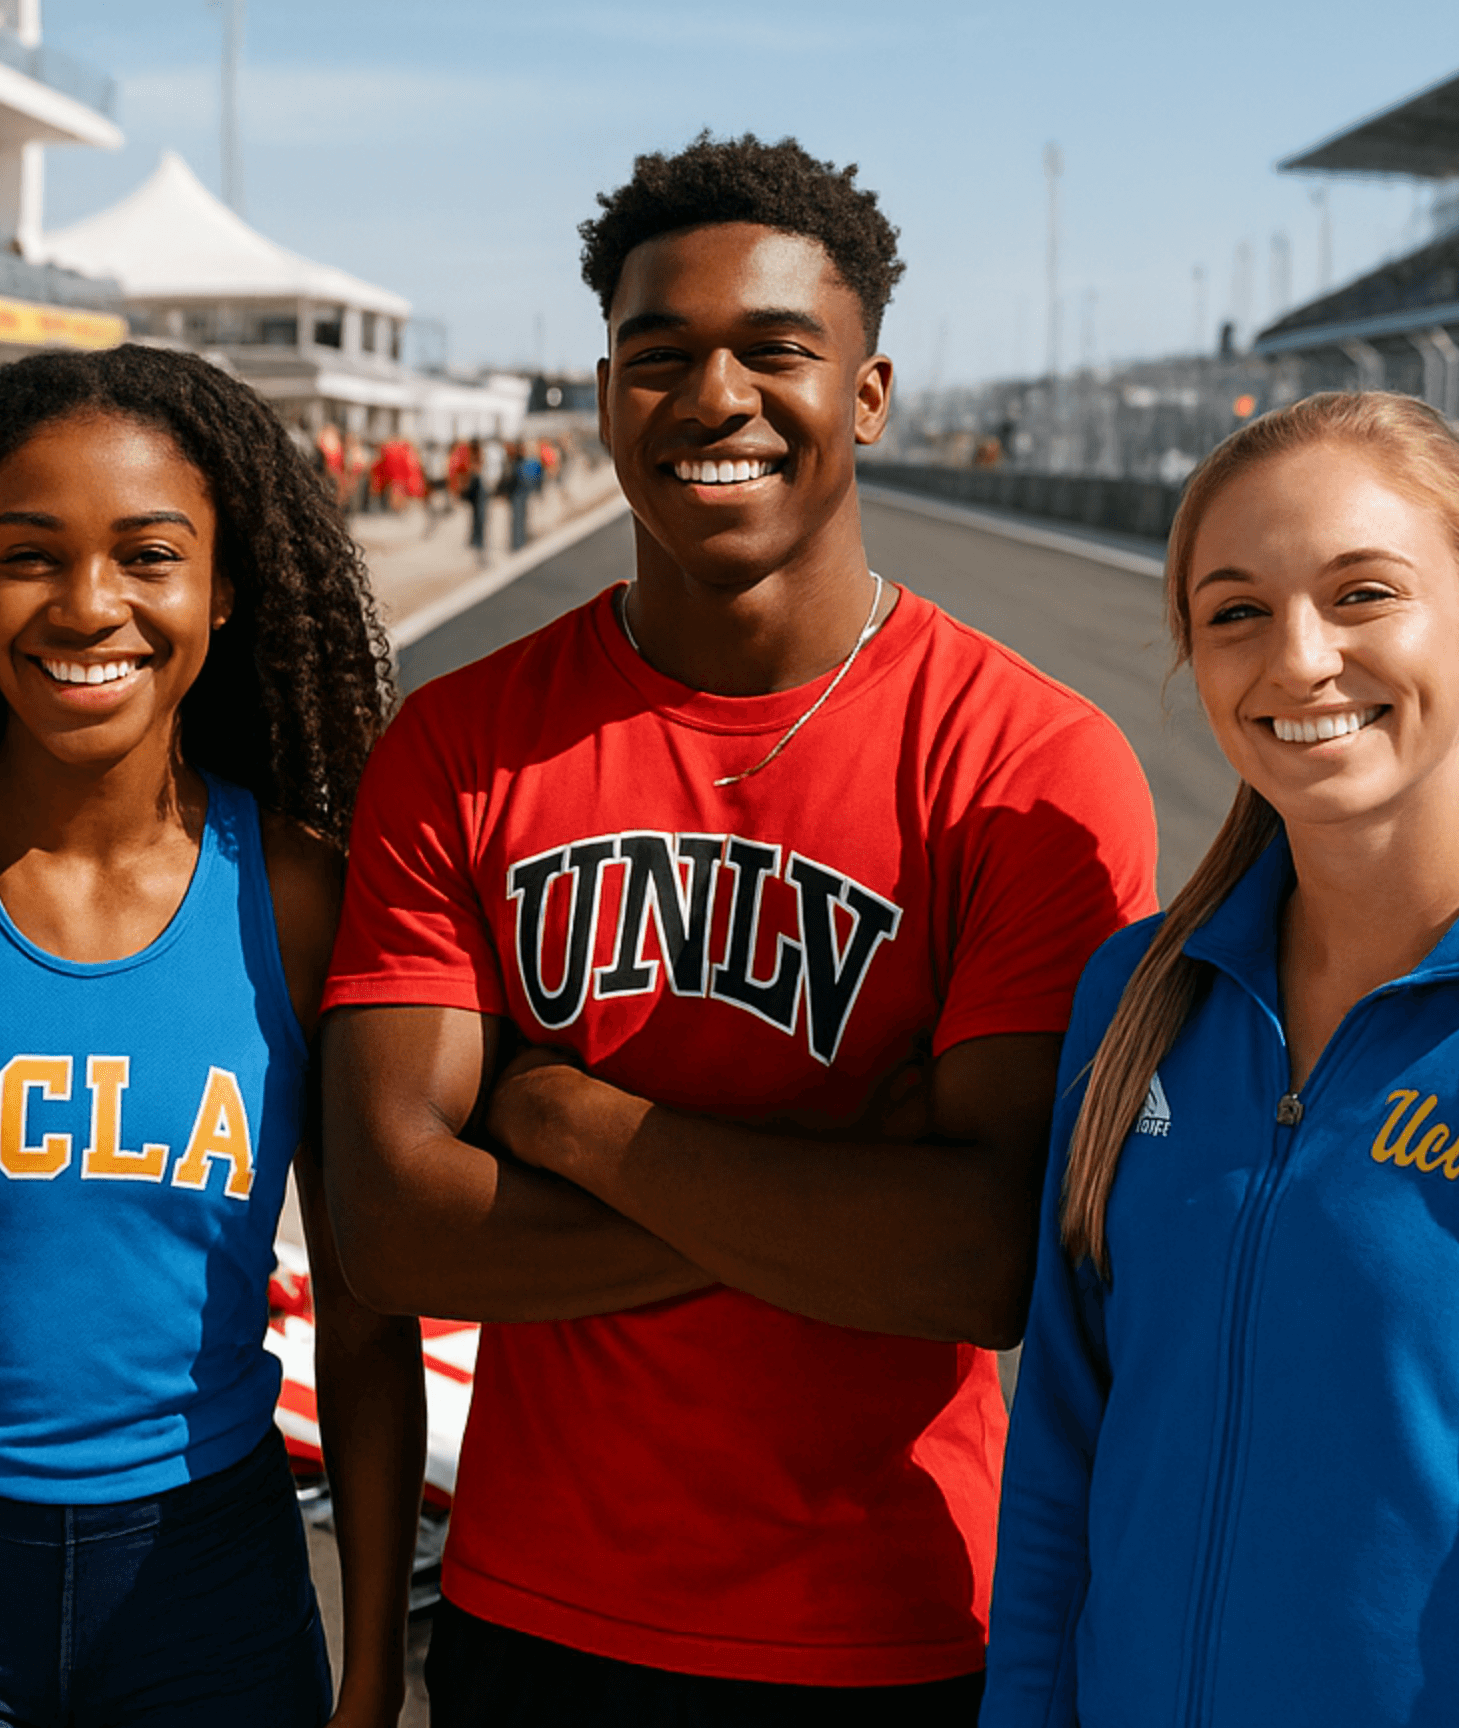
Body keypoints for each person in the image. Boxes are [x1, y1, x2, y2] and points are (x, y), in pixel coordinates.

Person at [321, 130, 1160, 1726]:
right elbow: (396, 1230)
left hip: (899, 1631)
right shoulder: (458, 742)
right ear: (603, 393)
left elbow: (986, 1259)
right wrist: (837, 1188)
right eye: (661, 357)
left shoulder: (1028, 765)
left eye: (777, 350)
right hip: (536, 1618)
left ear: (869, 393)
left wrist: (569, 1116)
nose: (716, 399)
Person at [0, 344, 427, 1728]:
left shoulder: (293, 898)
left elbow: (364, 1308)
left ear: (224, 591)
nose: (89, 605)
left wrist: (367, 1681)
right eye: (31, 556)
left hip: (208, 1581)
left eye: (149, 556)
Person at [984, 392, 1459, 1726]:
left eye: (1361, 596)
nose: (1298, 660)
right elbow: (1062, 1455)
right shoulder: (1139, 996)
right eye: (1237, 612)